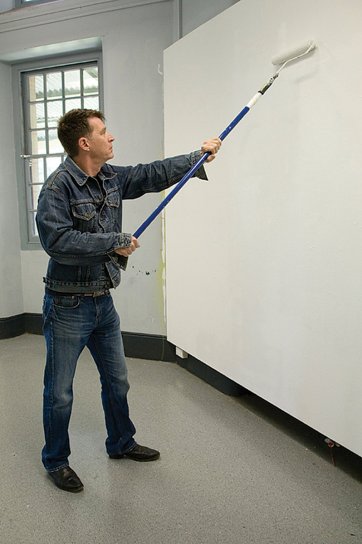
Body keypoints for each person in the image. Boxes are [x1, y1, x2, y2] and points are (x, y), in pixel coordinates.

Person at [36, 108, 221, 493]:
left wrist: (196, 156)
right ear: (85, 143)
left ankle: (120, 442)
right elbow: (58, 243)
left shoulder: (109, 177)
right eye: (105, 132)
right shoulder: (57, 188)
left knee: (117, 381)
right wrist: (115, 241)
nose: (112, 137)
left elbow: (150, 173)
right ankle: (56, 461)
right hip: (67, 305)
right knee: (60, 393)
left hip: (102, 300)